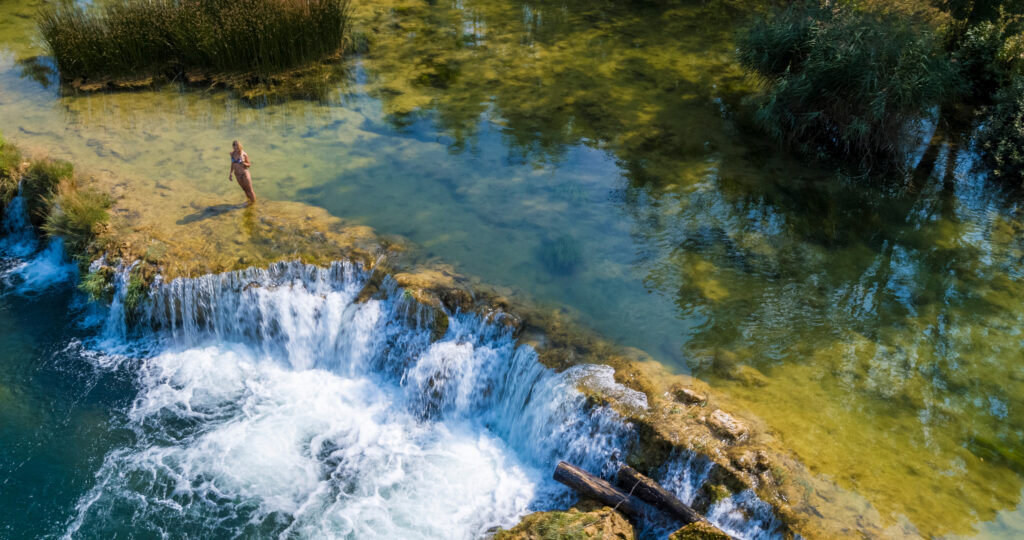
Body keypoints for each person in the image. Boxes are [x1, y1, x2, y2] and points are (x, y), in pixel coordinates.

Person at [229, 140, 256, 205]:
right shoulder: (232, 153)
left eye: (237, 148)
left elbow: (249, 165)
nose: (236, 149)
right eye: (235, 148)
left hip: (244, 173)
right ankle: (249, 202)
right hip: (237, 174)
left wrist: (243, 163)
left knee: (250, 190)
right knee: (244, 189)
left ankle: (254, 204)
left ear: (240, 147)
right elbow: (232, 163)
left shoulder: (244, 154)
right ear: (233, 147)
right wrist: (230, 173)